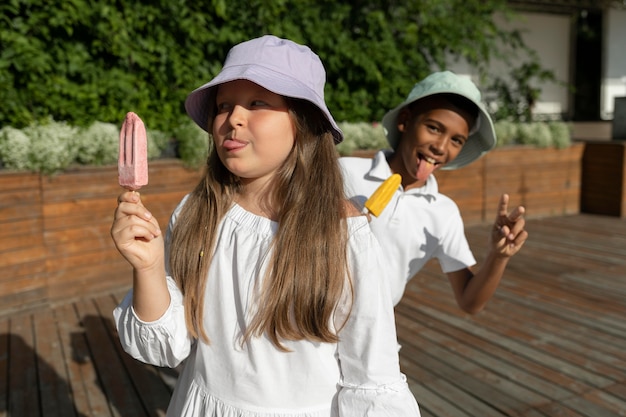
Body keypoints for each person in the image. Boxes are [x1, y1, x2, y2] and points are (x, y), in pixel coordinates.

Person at [111, 35, 420, 417]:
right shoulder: (196, 213)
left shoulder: (344, 236)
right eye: (224, 105)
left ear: (303, 123)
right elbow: (167, 348)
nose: (233, 118)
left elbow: (371, 377)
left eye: (258, 103)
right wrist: (148, 268)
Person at [339, 70, 528, 310]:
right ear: (405, 120)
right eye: (434, 128)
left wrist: (498, 257)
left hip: (373, 338)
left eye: (456, 140)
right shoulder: (344, 172)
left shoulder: (443, 212)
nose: (440, 147)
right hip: (305, 330)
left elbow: (469, 301)